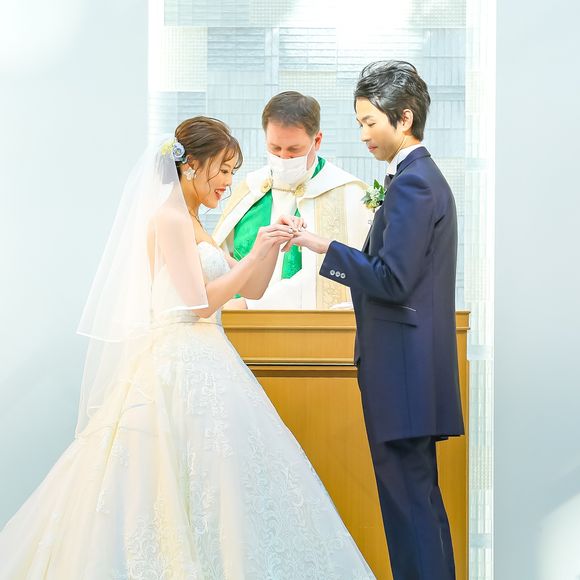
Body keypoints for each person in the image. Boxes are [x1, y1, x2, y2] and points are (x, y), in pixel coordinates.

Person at [0, 116, 375, 579]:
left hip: (208, 357)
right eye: (224, 170)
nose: (229, 182)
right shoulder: (170, 218)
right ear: (192, 166)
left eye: (233, 172)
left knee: (220, 484)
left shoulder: (196, 223)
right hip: (176, 361)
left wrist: (269, 246)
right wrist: (255, 252)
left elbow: (252, 290)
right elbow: (198, 304)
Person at [284, 61, 465, 580]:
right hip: (409, 372)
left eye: (369, 122)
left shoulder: (413, 184)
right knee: (417, 505)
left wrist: (323, 246)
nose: (363, 134)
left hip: (402, 374)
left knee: (409, 509)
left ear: (403, 118)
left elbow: (392, 278)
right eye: (360, 122)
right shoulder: (416, 179)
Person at [213, 91, 372, 310]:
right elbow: (218, 259)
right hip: (237, 322)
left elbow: (336, 280)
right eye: (275, 148)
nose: (283, 158)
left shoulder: (348, 194)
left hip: (306, 327)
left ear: (317, 141)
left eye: (294, 150)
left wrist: (251, 305)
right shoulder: (251, 189)